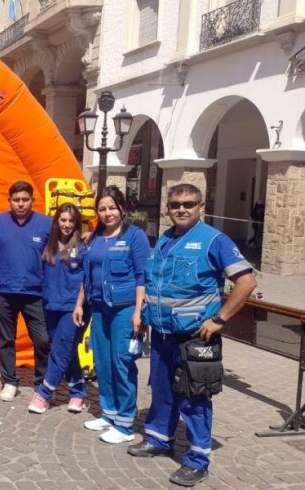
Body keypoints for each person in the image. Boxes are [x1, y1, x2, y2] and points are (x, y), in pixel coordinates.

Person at [128, 184, 256, 487]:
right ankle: (160, 439)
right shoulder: (165, 239)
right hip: (162, 333)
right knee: (161, 390)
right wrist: (146, 315)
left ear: (201, 207)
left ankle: (197, 460)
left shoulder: (214, 240)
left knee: (194, 398)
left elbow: (246, 282)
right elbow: (156, 283)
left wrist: (220, 319)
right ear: (168, 208)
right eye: (175, 205)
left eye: (188, 204)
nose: (181, 209)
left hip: (195, 336)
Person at [74, 185, 149, 444]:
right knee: (102, 362)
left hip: (125, 309)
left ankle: (126, 424)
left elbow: (142, 276)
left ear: (122, 209)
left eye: (112, 208)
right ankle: (110, 413)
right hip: (99, 308)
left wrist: (139, 311)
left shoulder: (135, 237)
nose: (107, 213)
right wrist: (80, 304)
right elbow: (86, 276)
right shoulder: (93, 238)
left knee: (122, 363)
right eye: (102, 208)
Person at [0, 180, 52, 402]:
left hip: (35, 292)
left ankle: (41, 383)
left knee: (42, 340)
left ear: (32, 201)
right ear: (9, 201)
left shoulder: (46, 224)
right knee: (7, 339)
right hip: (4, 291)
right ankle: (9, 381)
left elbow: (64, 242)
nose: (21, 204)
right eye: (16, 200)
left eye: (25, 200)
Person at [27, 204, 88, 414]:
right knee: (67, 350)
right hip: (50, 304)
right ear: (56, 222)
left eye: (71, 221)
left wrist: (79, 304)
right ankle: (78, 392)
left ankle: (44, 393)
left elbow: (87, 280)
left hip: (72, 308)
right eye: (63, 220)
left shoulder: (83, 247)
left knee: (60, 350)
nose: (67, 225)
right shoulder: (48, 245)